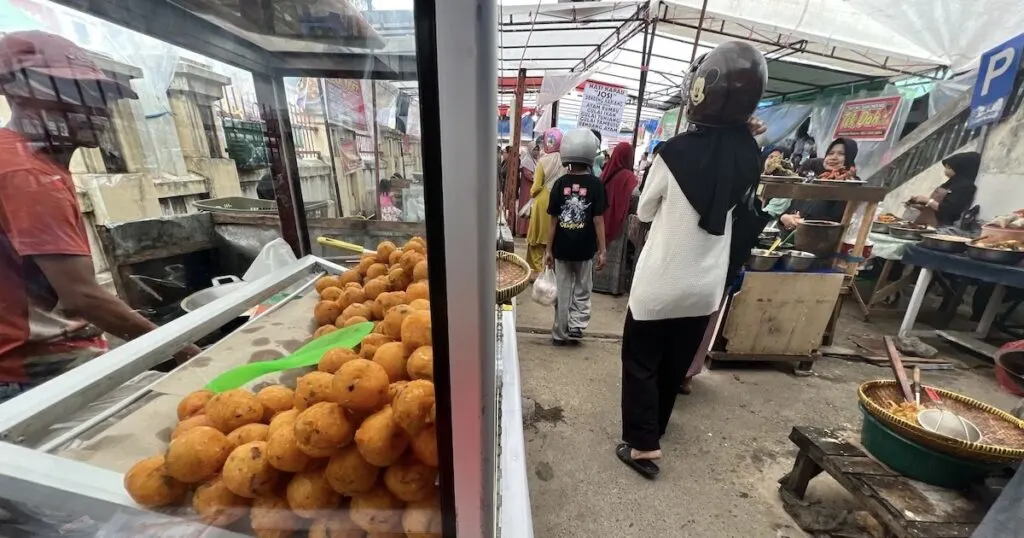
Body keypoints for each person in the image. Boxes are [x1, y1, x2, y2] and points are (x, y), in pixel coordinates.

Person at [0, 31, 200, 402]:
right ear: (21, 93)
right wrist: (180, 350)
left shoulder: (24, 160)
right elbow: (82, 297)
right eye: (76, 96)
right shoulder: (29, 175)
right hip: (36, 373)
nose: (98, 111)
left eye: (100, 98)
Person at [618, 41, 767, 479]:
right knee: (674, 362)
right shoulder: (750, 155)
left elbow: (644, 211)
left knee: (641, 362)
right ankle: (655, 431)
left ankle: (643, 446)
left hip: (661, 281)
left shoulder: (671, 153)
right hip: (706, 286)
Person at [544, 129, 607, 345]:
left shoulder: (560, 185)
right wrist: (603, 250)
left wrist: (548, 250)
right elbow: (598, 220)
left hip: (561, 248)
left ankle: (559, 333)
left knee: (562, 292)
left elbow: (553, 222)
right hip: (585, 249)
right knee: (582, 289)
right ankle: (577, 327)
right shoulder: (597, 185)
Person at [779, 138, 859, 230]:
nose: (833, 157)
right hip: (794, 239)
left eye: (841, 154)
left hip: (821, 241)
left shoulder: (849, 184)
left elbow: (837, 220)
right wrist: (784, 218)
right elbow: (792, 208)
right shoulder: (818, 179)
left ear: (850, 157)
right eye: (830, 153)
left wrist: (804, 222)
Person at [595, 142, 637, 288]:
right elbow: (635, 196)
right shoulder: (630, 177)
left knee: (601, 248)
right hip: (620, 221)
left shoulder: (605, 172)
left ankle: (596, 282)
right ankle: (611, 285)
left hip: (602, 219)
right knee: (617, 251)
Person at [526, 128, 565, 278]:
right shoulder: (564, 161)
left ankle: (535, 271)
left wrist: (532, 193)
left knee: (536, 236)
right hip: (557, 202)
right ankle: (548, 270)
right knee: (551, 235)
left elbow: (535, 187)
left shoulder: (543, 161)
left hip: (542, 201)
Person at [907, 152, 981, 227]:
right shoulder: (949, 183)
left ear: (960, 168)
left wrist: (927, 201)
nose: (945, 170)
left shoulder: (965, 187)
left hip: (942, 227)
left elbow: (948, 210)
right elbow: (936, 204)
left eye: (948, 168)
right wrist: (920, 204)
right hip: (926, 223)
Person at [514, 144, 538, 236]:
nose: (536, 151)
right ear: (530, 150)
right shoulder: (526, 161)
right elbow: (528, 175)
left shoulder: (535, 160)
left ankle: (528, 230)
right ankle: (522, 230)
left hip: (532, 188)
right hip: (527, 189)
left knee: (530, 209)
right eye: (534, 149)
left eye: (537, 149)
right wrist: (539, 179)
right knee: (525, 208)